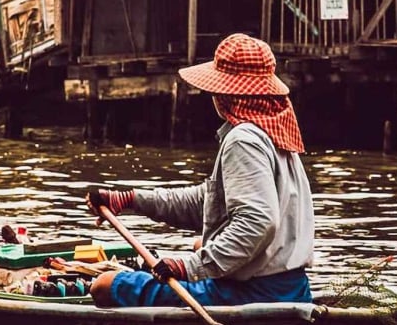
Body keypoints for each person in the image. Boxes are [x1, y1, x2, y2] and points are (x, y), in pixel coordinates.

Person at [86, 33, 314, 308]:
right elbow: (209, 203)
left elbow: (257, 223)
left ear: (225, 94)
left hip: (252, 294)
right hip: (293, 289)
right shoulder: (275, 135)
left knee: (104, 285)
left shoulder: (243, 140)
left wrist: (189, 267)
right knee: (197, 245)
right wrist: (131, 200)